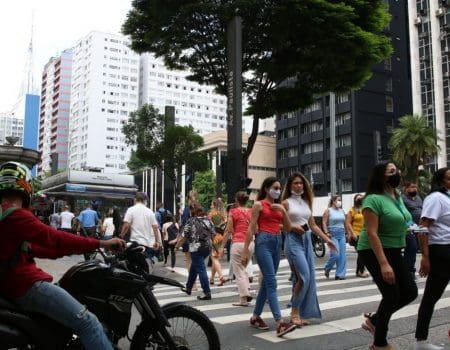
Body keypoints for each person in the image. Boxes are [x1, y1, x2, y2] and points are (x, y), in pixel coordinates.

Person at [0, 161, 126, 350]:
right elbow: (55, 238)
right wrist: (102, 242)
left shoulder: (5, 214)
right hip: (25, 287)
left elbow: (42, 248)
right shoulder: (17, 215)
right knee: (89, 323)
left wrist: (76, 248)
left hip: (11, 286)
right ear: (26, 186)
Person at [357, 161, 418, 350]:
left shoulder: (396, 195)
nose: (396, 173)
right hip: (373, 250)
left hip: (394, 248)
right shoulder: (372, 200)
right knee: (391, 295)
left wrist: (408, 228)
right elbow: (372, 233)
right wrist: (384, 264)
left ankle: (374, 321)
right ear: (381, 176)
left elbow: (399, 218)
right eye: (391, 171)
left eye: (396, 170)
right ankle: (380, 343)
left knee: (409, 292)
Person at [242, 176, 296, 337]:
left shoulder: (279, 206)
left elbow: (287, 227)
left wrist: (283, 211)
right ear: (266, 189)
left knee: (266, 283)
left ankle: (255, 316)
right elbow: (251, 228)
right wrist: (246, 251)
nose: (277, 191)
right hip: (263, 241)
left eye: (279, 188)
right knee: (271, 282)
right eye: (275, 187)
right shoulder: (258, 205)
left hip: (277, 242)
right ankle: (280, 323)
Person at [281, 172, 336, 327]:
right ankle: (294, 312)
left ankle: (298, 311)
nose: (299, 186)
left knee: (305, 278)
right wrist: (292, 227)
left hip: (306, 241)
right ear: (290, 186)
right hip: (293, 241)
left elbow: (312, 225)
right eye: (295, 183)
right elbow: (277, 224)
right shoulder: (285, 203)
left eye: (301, 183)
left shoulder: (306, 203)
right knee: (303, 277)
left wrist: (327, 240)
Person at [413, 168, 450, 350]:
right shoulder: (435, 198)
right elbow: (423, 227)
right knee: (431, 297)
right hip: (441, 251)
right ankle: (421, 341)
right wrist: (425, 257)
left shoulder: (448, 198)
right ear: (441, 181)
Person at [221, 191, 254, 306]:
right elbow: (256, 228)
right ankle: (246, 293)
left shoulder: (233, 212)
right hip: (250, 244)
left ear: (236, 200)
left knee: (238, 271)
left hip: (238, 243)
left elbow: (228, 230)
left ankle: (244, 296)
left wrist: (221, 246)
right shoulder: (251, 212)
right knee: (243, 269)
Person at [176, 201, 214, 300]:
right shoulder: (208, 220)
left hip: (196, 248)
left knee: (201, 269)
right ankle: (189, 287)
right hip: (207, 247)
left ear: (193, 211)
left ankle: (207, 292)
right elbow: (213, 233)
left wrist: (177, 246)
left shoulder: (191, 221)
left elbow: (184, 236)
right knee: (194, 267)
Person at [120, 193, 162, 262]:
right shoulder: (150, 212)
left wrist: (121, 236)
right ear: (145, 201)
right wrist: (157, 242)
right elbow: (155, 227)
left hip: (135, 243)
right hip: (146, 244)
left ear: (135, 199)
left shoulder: (131, 209)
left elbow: (126, 225)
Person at [401, 181, 423, 280]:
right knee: (410, 248)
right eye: (412, 187)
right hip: (407, 228)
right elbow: (402, 213)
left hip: (419, 228)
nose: (414, 189)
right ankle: (407, 271)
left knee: (413, 250)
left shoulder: (418, 198)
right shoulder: (402, 199)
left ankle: (408, 270)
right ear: (406, 188)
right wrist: (409, 225)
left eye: (415, 187)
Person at [323, 195, 347, 280]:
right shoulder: (328, 211)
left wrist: (347, 232)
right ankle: (327, 268)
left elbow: (345, 223)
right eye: (338, 200)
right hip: (332, 234)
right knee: (335, 255)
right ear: (333, 201)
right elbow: (324, 222)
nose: (340, 202)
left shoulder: (342, 211)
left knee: (342, 255)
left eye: (340, 200)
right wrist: (326, 232)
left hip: (342, 233)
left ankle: (340, 274)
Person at [346, 193, 369, 278]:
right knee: (362, 253)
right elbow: (348, 223)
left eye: (361, 198)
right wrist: (352, 233)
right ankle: (361, 271)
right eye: (358, 198)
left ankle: (358, 271)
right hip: (356, 234)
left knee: (362, 253)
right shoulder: (352, 210)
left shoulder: (365, 209)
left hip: (365, 234)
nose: (360, 200)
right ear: (355, 200)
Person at [208, 198, 227, 286]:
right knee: (216, 258)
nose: (210, 206)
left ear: (214, 205)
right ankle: (211, 278)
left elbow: (208, 226)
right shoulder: (223, 214)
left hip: (214, 237)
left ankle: (221, 276)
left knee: (214, 258)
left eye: (211, 204)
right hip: (221, 236)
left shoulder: (211, 214)